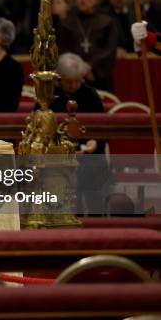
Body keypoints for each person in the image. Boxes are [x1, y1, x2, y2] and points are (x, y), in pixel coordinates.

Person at [50, 53, 109, 215]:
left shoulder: (90, 95)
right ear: (60, 79)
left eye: (78, 81)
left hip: (88, 157)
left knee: (94, 174)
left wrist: (95, 141)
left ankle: (96, 223)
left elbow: (103, 128)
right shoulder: (50, 96)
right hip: (58, 158)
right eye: (69, 82)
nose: (75, 85)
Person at [58, 0, 118, 91]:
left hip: (99, 78)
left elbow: (109, 50)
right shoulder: (66, 22)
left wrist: (90, 66)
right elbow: (63, 49)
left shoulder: (107, 21)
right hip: (73, 79)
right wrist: (80, 69)